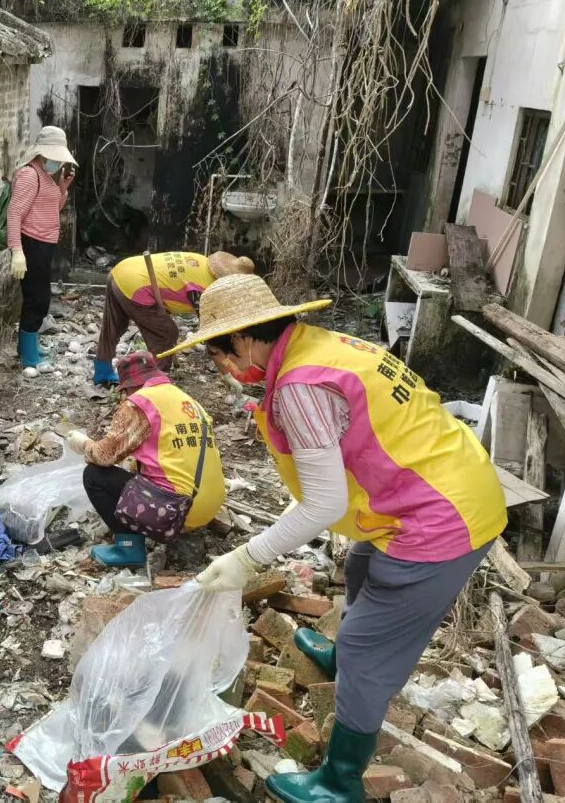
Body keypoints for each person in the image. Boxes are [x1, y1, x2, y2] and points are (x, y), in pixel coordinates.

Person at [160, 274, 507, 803]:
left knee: (370, 650)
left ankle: (340, 780)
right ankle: (341, 659)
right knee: (362, 568)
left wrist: (247, 558)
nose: (223, 368)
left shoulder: (300, 387)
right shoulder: (322, 346)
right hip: (433, 481)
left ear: (245, 339)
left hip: (440, 516)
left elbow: (324, 506)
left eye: (219, 354)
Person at [67, 351, 225, 567]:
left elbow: (105, 456)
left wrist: (84, 444)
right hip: (209, 505)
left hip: (176, 509)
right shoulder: (186, 400)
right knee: (134, 469)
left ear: (131, 386)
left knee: (94, 475)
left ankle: (128, 547)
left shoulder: (139, 403)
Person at [92, 251, 255, 385]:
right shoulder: (207, 290)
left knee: (113, 325)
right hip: (136, 284)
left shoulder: (201, 261)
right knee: (166, 333)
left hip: (122, 270)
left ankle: (102, 371)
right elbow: (211, 336)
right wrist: (226, 374)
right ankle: (157, 381)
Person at [7, 125, 77, 375]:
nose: (57, 162)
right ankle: (29, 357)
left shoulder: (45, 175)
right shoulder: (29, 174)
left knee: (36, 298)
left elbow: (50, 209)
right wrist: (17, 250)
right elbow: (14, 213)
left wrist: (63, 187)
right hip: (32, 244)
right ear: (42, 153)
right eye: (54, 156)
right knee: (38, 300)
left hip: (43, 244)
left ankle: (27, 347)